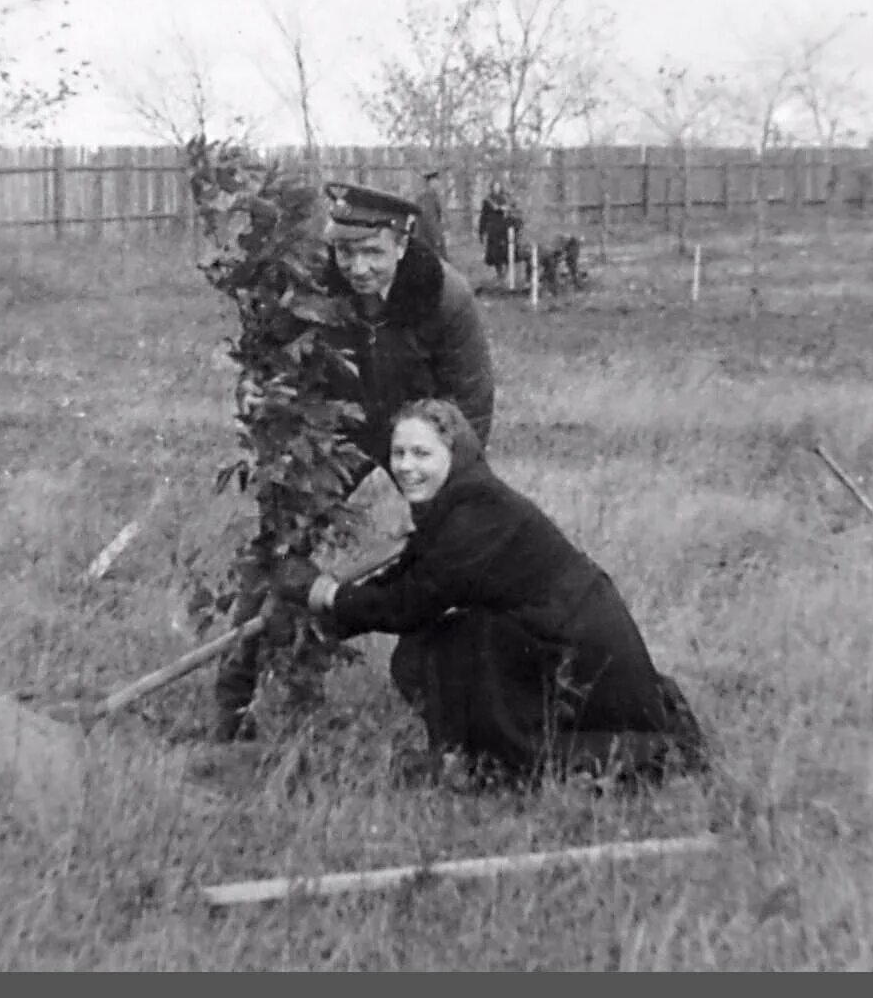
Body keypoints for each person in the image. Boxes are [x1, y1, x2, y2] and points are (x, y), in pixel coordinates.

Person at [270, 398, 709, 788]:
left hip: (584, 654)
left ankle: (507, 761)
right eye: (399, 453)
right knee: (451, 638)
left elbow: (409, 605)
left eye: (422, 453)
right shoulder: (458, 503)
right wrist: (324, 616)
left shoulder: (476, 514)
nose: (405, 466)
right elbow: (405, 579)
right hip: (555, 632)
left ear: (455, 454)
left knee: (447, 645)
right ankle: (476, 755)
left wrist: (326, 595)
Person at [209, 183, 497, 743]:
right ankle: (234, 700)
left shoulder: (443, 296)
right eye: (347, 252)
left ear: (401, 243)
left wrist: (451, 486)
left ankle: (471, 696)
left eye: (373, 253)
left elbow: (471, 406)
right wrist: (256, 388)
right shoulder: (311, 287)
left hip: (419, 431)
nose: (358, 267)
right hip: (335, 430)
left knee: (467, 545)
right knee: (280, 546)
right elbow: (266, 361)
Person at [477, 180, 521, 285]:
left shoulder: (506, 199)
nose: (496, 188)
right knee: (495, 254)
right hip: (493, 230)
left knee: (507, 252)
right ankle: (500, 274)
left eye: (498, 186)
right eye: (494, 186)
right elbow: (483, 217)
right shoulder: (487, 201)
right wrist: (481, 232)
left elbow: (514, 211)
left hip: (505, 230)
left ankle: (507, 274)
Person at [413, 169, 448, 261]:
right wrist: (437, 239)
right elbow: (430, 219)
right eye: (436, 181)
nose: (438, 184)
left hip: (427, 240)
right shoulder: (426, 198)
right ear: (430, 182)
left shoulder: (431, 196)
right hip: (428, 240)